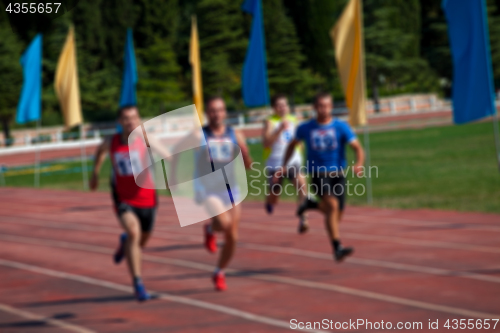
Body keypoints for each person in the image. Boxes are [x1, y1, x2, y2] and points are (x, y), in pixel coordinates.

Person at [170, 97, 252, 291]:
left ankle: (219, 271)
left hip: (230, 188)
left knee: (233, 237)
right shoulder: (199, 135)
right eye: (213, 111)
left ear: (225, 113)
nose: (217, 114)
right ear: (207, 113)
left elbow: (248, 165)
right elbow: (177, 150)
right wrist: (173, 177)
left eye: (220, 110)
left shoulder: (235, 134)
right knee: (224, 224)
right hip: (207, 189)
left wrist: (245, 154)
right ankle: (211, 228)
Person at [90, 105, 169, 301]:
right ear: (119, 122)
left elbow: (167, 155)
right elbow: (100, 151)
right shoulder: (112, 142)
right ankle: (138, 283)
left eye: (134, 118)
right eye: (126, 118)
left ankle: (125, 243)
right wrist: (95, 173)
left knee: (140, 242)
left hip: (148, 199)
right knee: (133, 232)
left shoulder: (146, 139)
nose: (130, 122)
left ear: (140, 120)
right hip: (123, 199)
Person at [278, 93, 365, 262]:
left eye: (326, 106)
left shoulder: (341, 126)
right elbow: (291, 145)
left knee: (336, 215)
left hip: (338, 175)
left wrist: (358, 164)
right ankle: (337, 247)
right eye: (319, 106)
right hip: (318, 175)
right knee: (332, 207)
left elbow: (358, 148)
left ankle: (311, 204)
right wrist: (284, 165)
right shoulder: (305, 128)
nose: (323, 109)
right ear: (314, 107)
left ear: (331, 107)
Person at [262, 94, 308, 233]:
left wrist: (300, 144)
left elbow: (299, 139)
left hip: (293, 162)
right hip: (275, 164)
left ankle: (303, 219)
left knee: (302, 187)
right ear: (274, 108)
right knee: (274, 196)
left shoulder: (294, 120)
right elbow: (266, 142)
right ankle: (269, 202)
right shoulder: (270, 121)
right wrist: (279, 129)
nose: (283, 108)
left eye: (285, 105)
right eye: (279, 105)